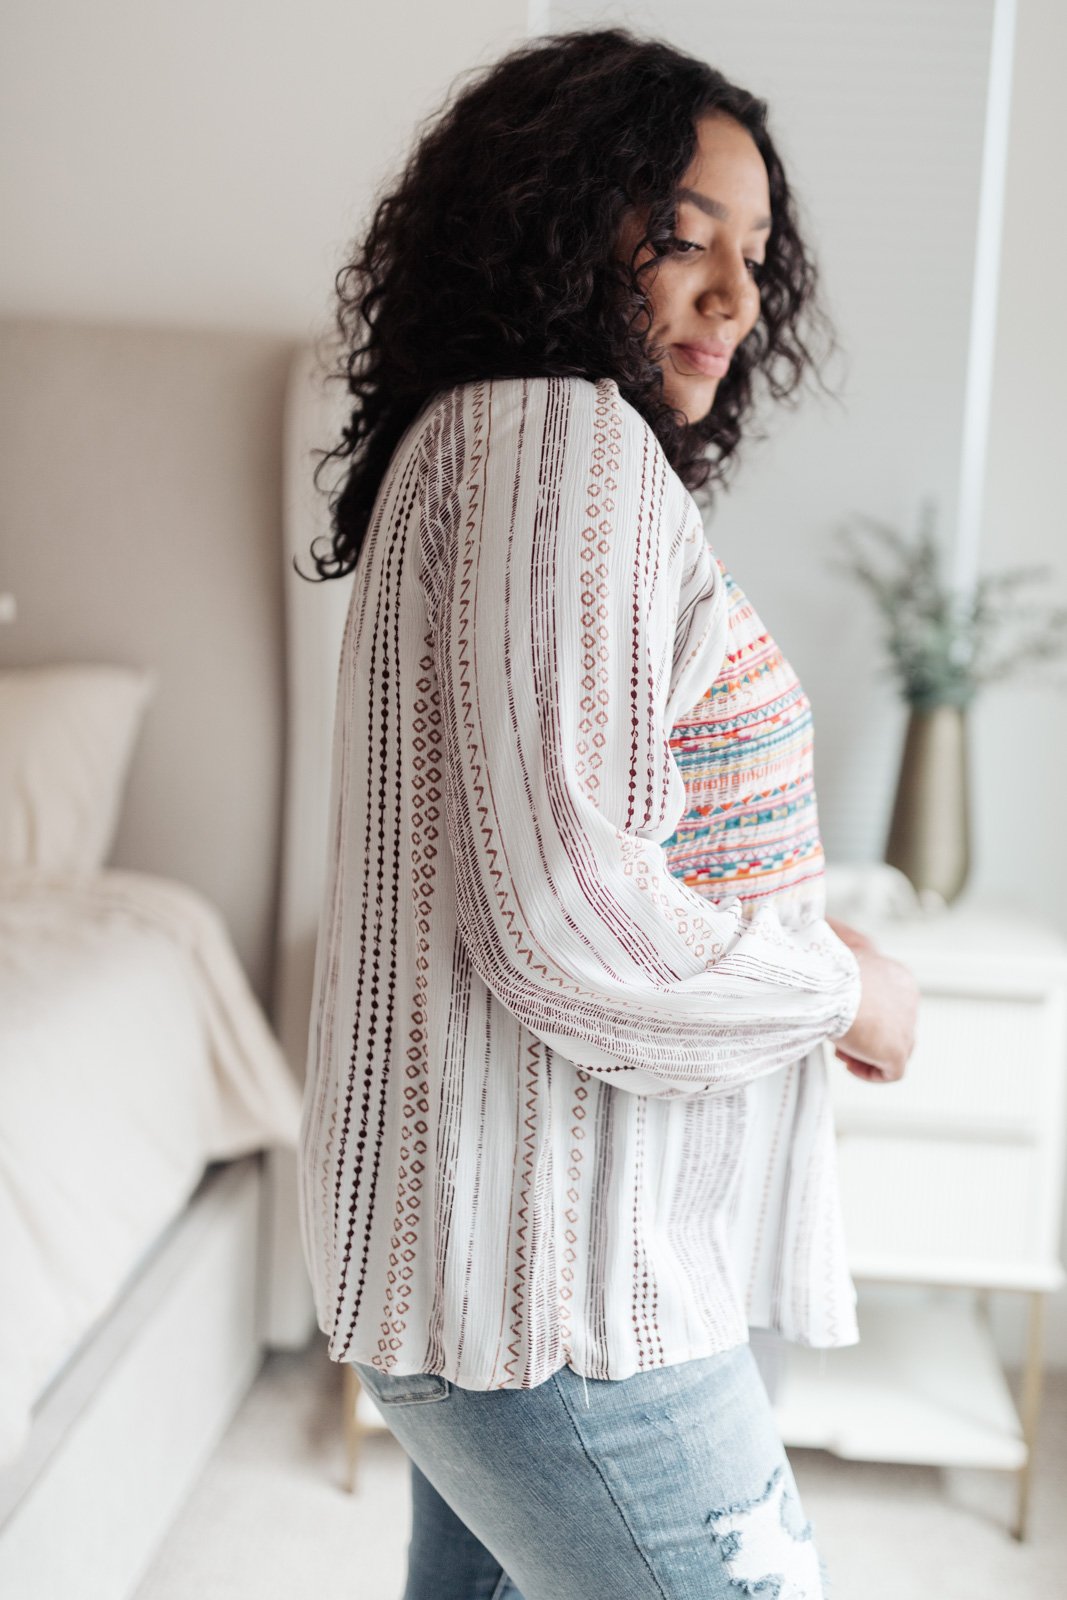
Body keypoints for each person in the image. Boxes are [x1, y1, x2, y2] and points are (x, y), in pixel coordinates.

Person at [297, 26, 919, 1600]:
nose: (733, 294)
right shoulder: (557, 445)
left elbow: (548, 858)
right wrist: (846, 987)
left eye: (756, 254)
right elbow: (568, 912)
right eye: (679, 238)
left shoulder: (487, 445)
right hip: (565, 1303)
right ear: (561, 232)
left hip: (512, 1274)